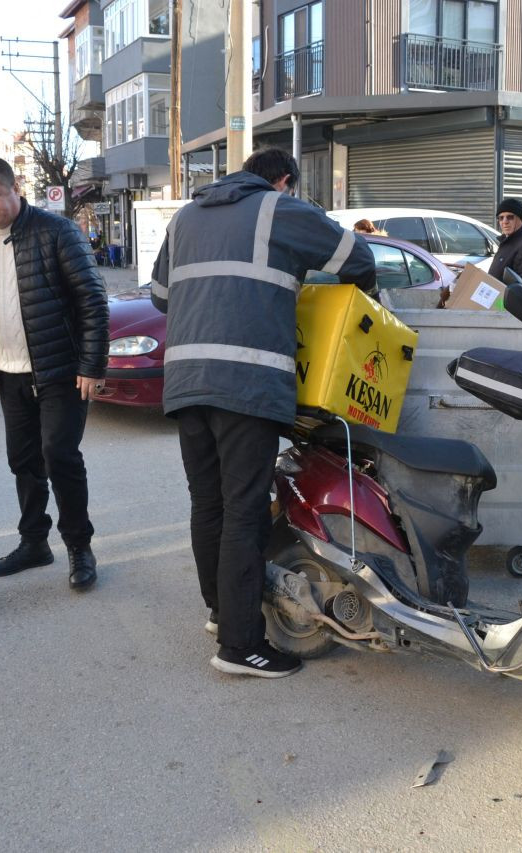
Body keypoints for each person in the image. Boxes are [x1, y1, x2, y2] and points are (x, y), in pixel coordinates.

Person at [151, 147, 376, 679]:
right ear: (283, 181)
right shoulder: (279, 208)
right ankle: (241, 645)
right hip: (246, 383)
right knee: (244, 511)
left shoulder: (186, 216)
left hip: (186, 382)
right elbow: (360, 261)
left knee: (208, 504)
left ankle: (220, 611)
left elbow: (162, 297)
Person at [0, 157, 109, 592]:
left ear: (14, 189)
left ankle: (79, 548)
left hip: (60, 372)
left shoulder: (57, 232)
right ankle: (33, 543)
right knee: (23, 462)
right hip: (9, 374)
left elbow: (93, 301)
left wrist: (91, 365)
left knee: (59, 456)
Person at [488, 197, 522, 284]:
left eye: (510, 217)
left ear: (521, 219)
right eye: (501, 218)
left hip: (504, 297)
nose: (505, 221)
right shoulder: (507, 240)